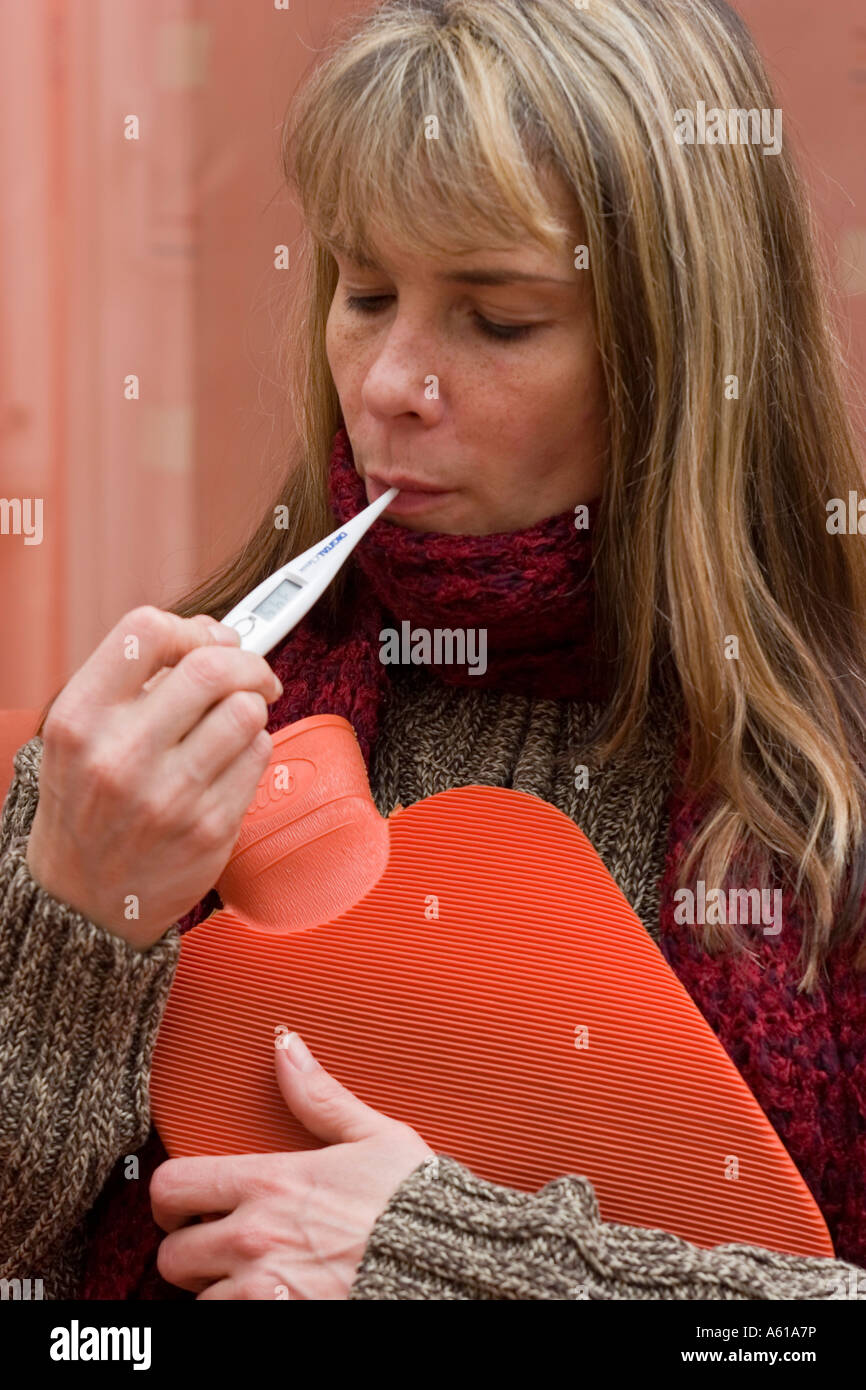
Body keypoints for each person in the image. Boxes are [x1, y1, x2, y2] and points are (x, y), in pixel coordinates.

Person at [2, 0, 866, 1301]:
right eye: (362, 291)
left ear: (677, 350)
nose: (389, 379)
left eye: (497, 318)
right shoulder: (166, 746)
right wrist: (70, 915)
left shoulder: (830, 787)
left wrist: (451, 1258)